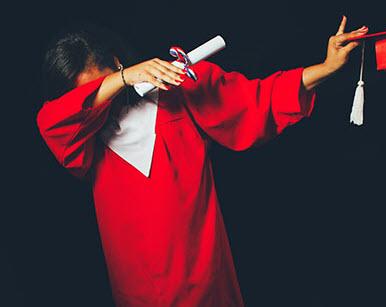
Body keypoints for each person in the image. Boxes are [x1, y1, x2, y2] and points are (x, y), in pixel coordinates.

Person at [37, 17, 368, 307]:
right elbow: (53, 120)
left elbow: (258, 100)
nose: (101, 100)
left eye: (103, 81)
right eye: (92, 93)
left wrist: (326, 68)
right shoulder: (81, 138)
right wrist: (120, 81)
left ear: (116, 60)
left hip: (202, 281)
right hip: (136, 292)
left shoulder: (178, 93)